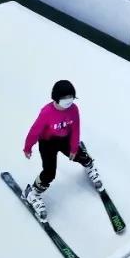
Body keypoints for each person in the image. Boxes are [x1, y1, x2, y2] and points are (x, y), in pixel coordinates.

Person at [22, 80, 103, 221]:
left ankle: (88, 164)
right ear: (56, 97)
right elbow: (35, 131)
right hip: (48, 143)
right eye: (65, 97)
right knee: (49, 173)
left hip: (65, 139)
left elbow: (76, 129)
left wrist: (73, 147)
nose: (69, 100)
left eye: (71, 97)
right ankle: (32, 193)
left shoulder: (73, 109)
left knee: (80, 154)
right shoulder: (47, 112)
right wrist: (28, 147)